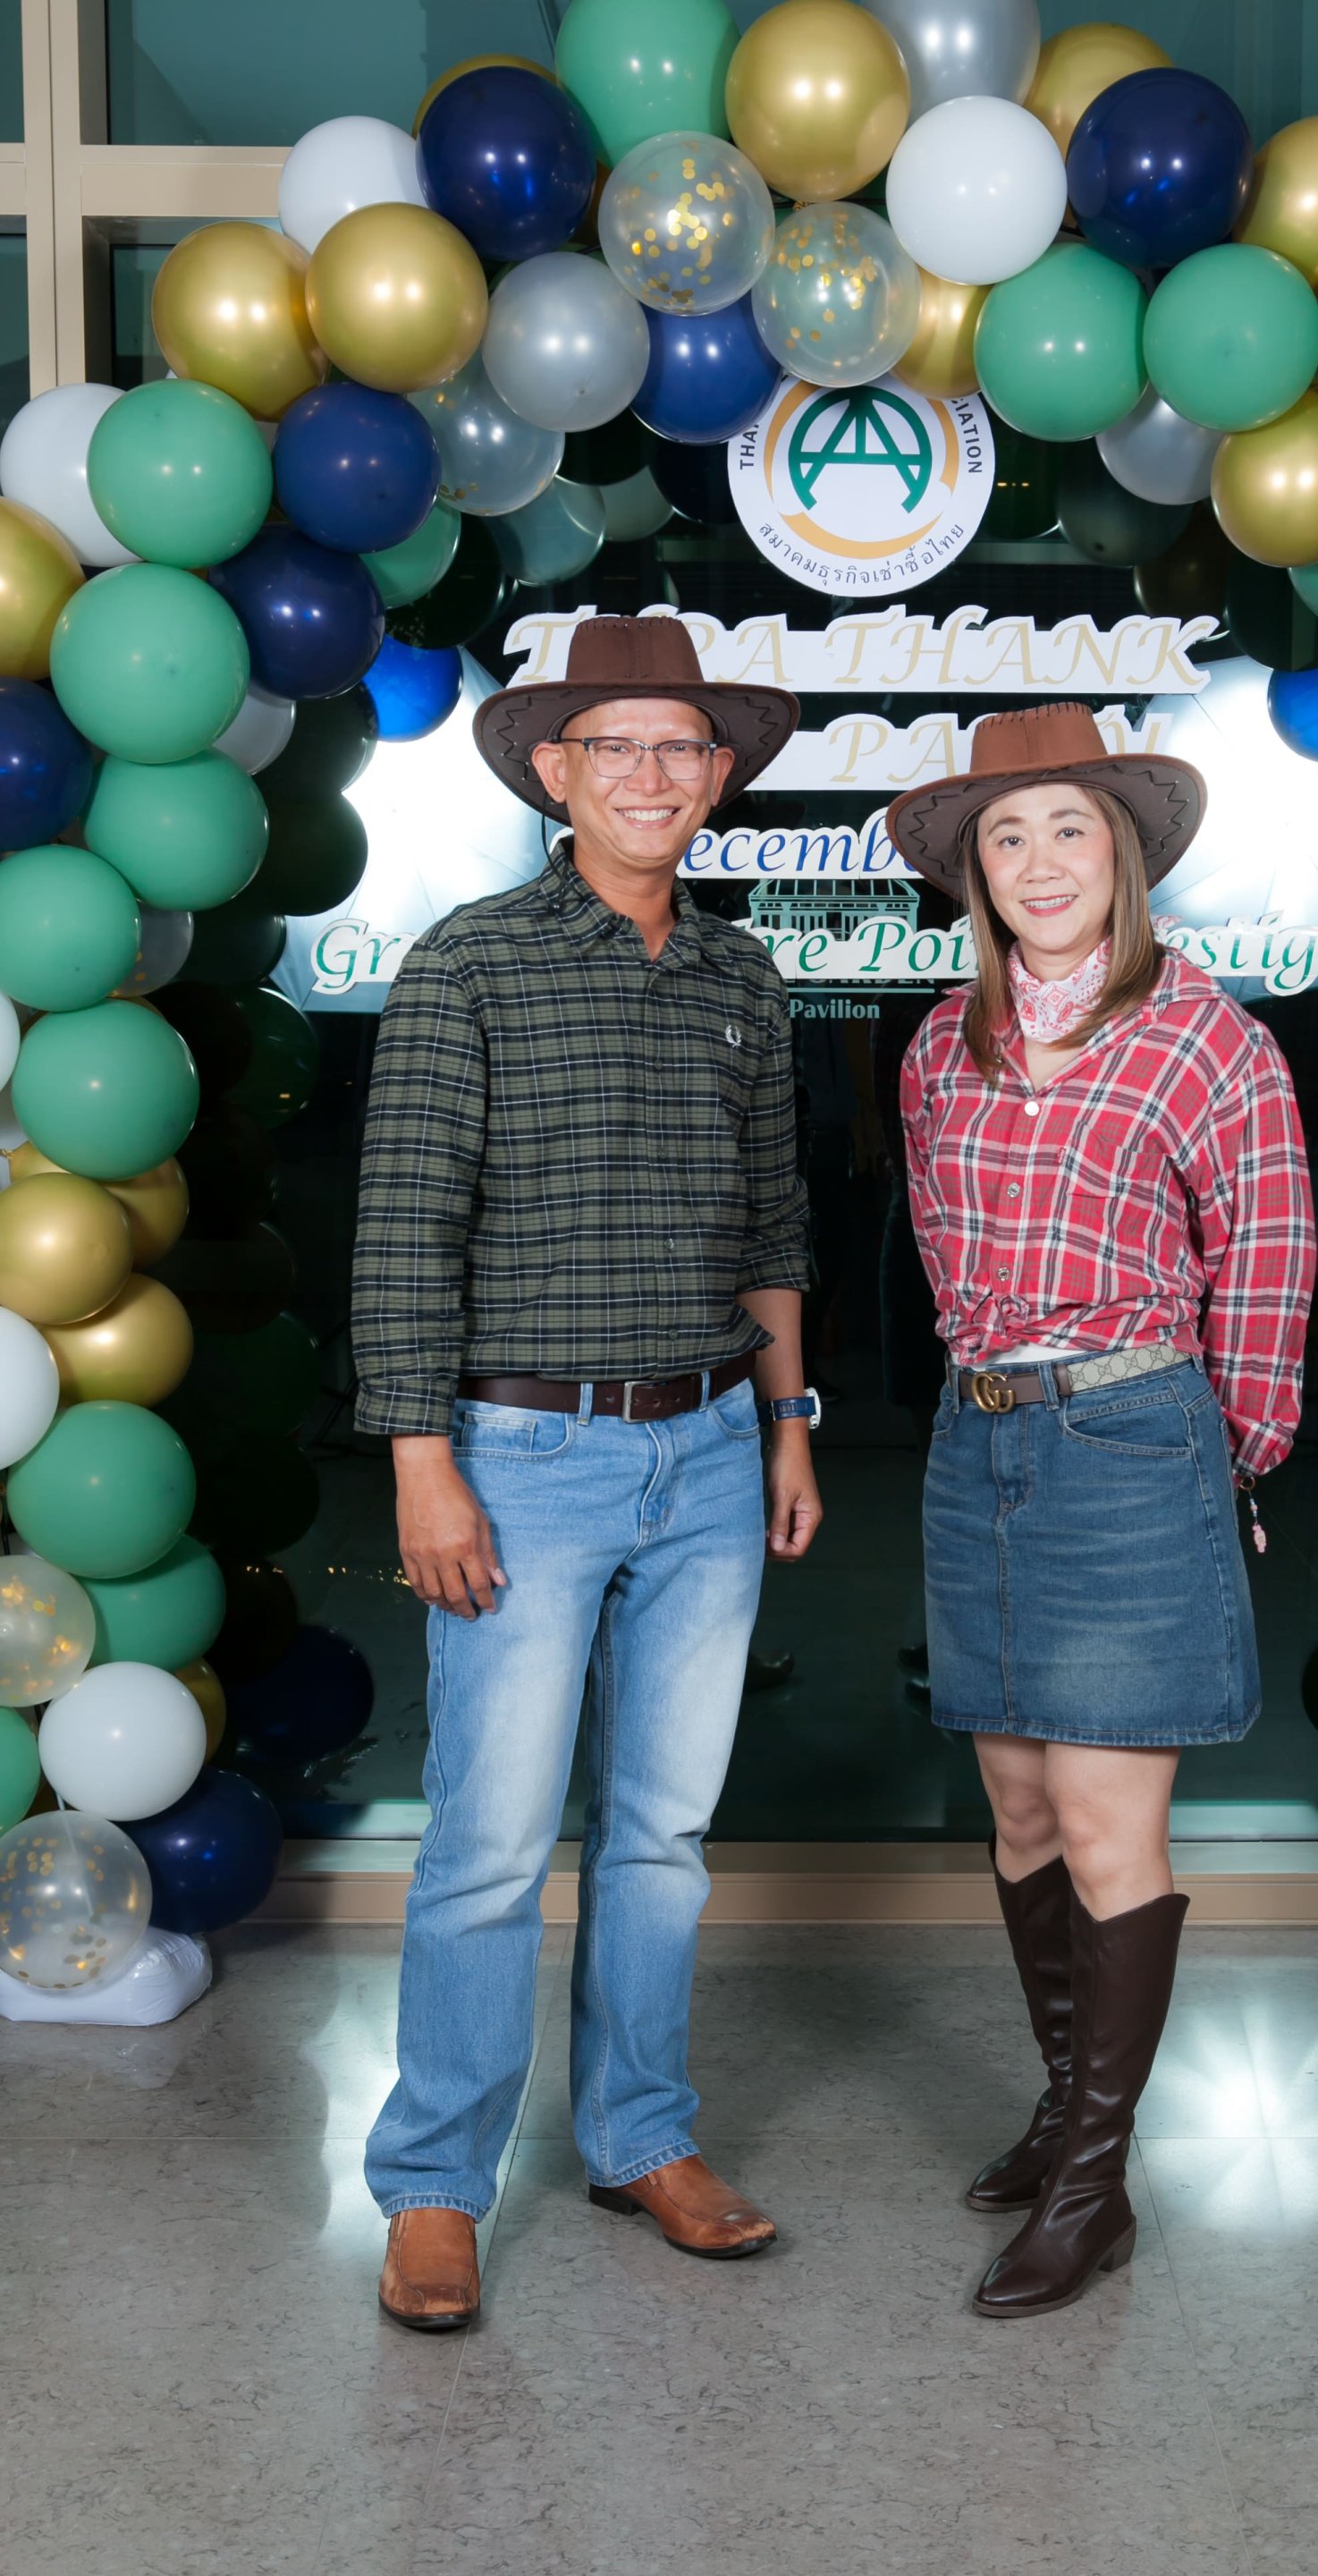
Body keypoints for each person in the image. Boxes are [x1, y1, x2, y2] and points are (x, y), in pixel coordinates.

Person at [352, 615, 824, 2330]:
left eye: (679, 745)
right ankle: (433, 2186)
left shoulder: (743, 978)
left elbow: (774, 1220)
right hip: (521, 1457)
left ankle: (640, 2137)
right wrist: (424, 1465)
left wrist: (787, 1420)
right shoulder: (467, 964)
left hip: (709, 1452)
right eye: (613, 745)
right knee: (488, 1842)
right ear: (556, 773)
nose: (648, 774)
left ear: (718, 776)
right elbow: (405, 1230)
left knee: (664, 1834)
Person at [891, 703, 1314, 2319]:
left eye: (1071, 827)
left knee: (1102, 1819)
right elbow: (941, 1245)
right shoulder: (944, 1046)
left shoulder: (1208, 1039)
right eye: (1008, 836)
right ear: (978, 875)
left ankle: (1094, 2186)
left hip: (1132, 1433)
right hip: (979, 1438)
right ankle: (1072, 2106)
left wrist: (1232, 1456)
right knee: (1013, 1808)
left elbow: (1266, 1254)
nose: (1040, 861)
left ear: (1124, 854)